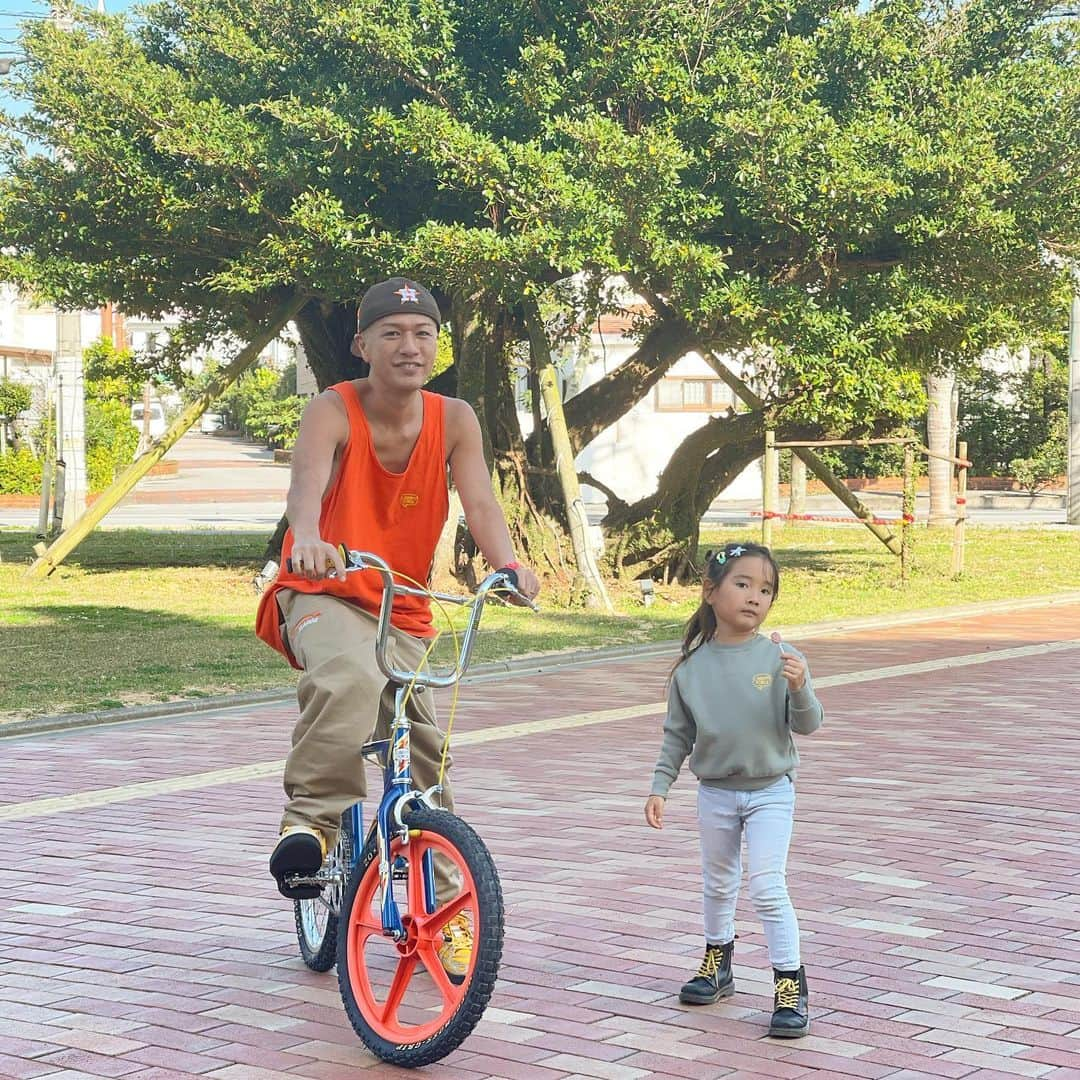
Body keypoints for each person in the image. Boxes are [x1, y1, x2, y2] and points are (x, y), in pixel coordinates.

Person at [256, 276, 540, 981]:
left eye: (422, 334)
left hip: (401, 604)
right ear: (362, 345)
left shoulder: (458, 418)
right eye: (392, 333)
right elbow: (304, 489)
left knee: (425, 752)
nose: (409, 346)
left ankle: (448, 914)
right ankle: (312, 828)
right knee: (350, 679)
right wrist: (311, 536)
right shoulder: (333, 408)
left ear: (438, 347)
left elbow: (481, 501)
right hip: (321, 588)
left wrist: (507, 565)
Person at [644, 541, 822, 1038]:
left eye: (765, 590)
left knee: (767, 887)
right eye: (743, 584)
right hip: (716, 792)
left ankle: (790, 986)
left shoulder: (783, 657)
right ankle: (717, 966)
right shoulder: (691, 669)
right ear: (710, 591)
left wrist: (800, 686)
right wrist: (661, 787)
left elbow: (809, 724)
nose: (754, 597)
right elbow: (677, 735)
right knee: (718, 883)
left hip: (771, 791)